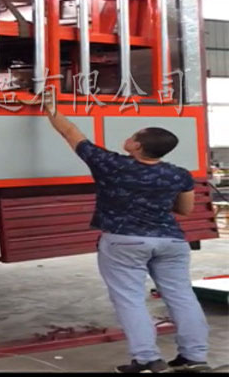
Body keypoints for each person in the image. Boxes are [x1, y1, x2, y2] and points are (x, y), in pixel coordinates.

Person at [44, 95, 209, 374]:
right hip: (171, 242)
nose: (129, 138)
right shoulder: (179, 174)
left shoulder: (110, 164)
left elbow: (71, 133)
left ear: (137, 146)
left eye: (134, 136)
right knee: (182, 297)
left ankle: (147, 360)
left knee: (130, 300)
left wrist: (50, 108)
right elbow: (185, 209)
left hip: (124, 242)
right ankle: (194, 357)